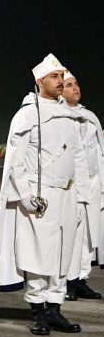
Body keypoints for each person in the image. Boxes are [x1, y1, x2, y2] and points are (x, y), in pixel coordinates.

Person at [0, 54, 86, 335]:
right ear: (40, 81)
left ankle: (55, 308)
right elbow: (16, 161)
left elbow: (79, 159)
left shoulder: (70, 114)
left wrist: (82, 196)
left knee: (63, 254)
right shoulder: (27, 114)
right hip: (41, 197)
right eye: (55, 77)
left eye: (62, 76)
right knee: (38, 254)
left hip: (68, 195)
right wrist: (25, 196)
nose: (60, 81)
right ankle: (37, 311)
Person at [61, 69, 104, 301]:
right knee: (72, 236)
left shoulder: (89, 116)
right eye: (68, 85)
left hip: (94, 184)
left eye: (76, 83)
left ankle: (81, 280)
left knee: (89, 234)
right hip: (73, 186)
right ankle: (67, 281)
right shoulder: (57, 117)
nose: (75, 88)